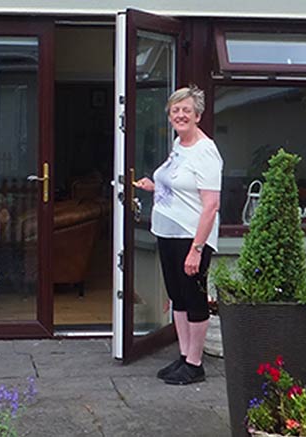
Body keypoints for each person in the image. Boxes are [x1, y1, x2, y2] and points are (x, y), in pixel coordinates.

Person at [134, 86, 222, 385]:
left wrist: (197, 249)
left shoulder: (206, 151)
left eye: (186, 110)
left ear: (197, 115)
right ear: (170, 116)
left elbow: (210, 205)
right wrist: (154, 186)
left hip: (191, 237)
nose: (181, 115)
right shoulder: (179, 145)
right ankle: (184, 357)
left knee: (193, 298)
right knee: (177, 297)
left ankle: (196, 365)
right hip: (167, 233)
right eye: (175, 110)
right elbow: (181, 186)